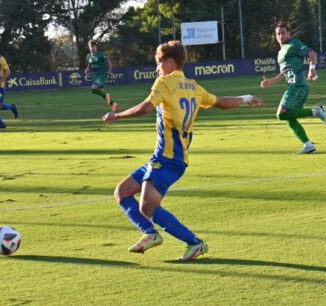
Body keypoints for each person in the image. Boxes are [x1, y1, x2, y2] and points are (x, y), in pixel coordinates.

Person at [103, 40, 264, 261]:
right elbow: (222, 102)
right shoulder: (194, 87)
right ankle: (173, 238)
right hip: (166, 158)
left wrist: (117, 115)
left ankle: (174, 238)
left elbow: (147, 106)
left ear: (170, 62)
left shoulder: (165, 82)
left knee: (146, 208)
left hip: (168, 160)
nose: (157, 67)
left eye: (159, 62)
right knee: (122, 192)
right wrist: (247, 98)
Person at [261, 23, 326, 154]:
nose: (281, 35)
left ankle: (316, 111)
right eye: (278, 34)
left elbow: (312, 53)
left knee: (281, 114)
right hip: (296, 86)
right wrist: (271, 82)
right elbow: (284, 74)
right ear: (275, 36)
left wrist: (312, 69)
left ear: (289, 33)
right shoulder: (281, 52)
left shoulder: (294, 44)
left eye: (283, 32)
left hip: (298, 85)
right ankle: (308, 145)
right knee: (288, 117)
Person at [85, 40, 117, 112]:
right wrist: (87, 69)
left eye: (93, 46)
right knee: (99, 92)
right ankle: (113, 104)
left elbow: (109, 63)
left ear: (96, 47)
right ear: (89, 47)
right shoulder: (89, 56)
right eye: (91, 47)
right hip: (96, 75)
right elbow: (89, 64)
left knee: (93, 88)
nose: (92, 48)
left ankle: (107, 96)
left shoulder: (101, 55)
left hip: (102, 75)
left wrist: (109, 72)